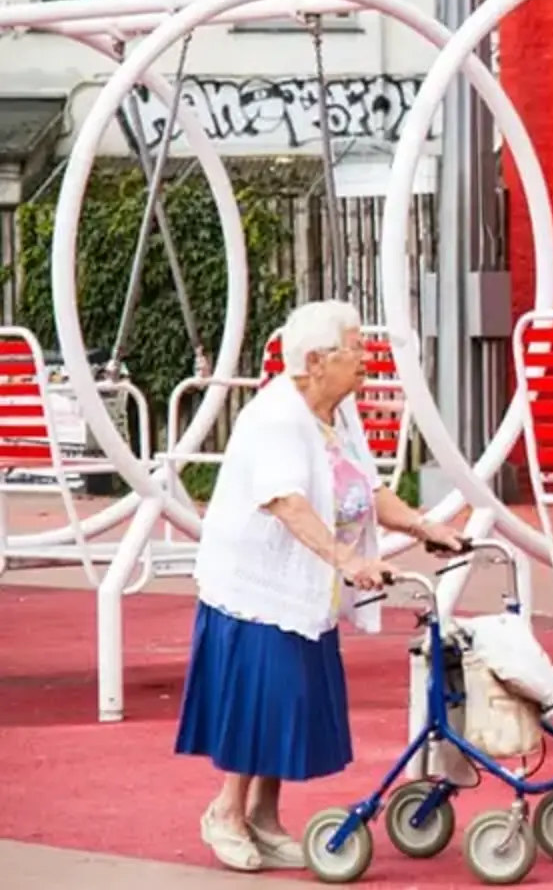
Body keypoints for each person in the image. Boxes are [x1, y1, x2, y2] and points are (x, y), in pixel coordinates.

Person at [174, 300, 466, 873]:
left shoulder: (336, 413)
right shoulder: (277, 417)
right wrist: (346, 559)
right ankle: (225, 812)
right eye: (354, 348)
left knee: (290, 701)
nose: (366, 358)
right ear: (315, 361)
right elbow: (286, 501)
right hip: (257, 584)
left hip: (304, 583)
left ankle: (264, 817)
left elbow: (365, 489)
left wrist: (422, 526)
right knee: (263, 700)